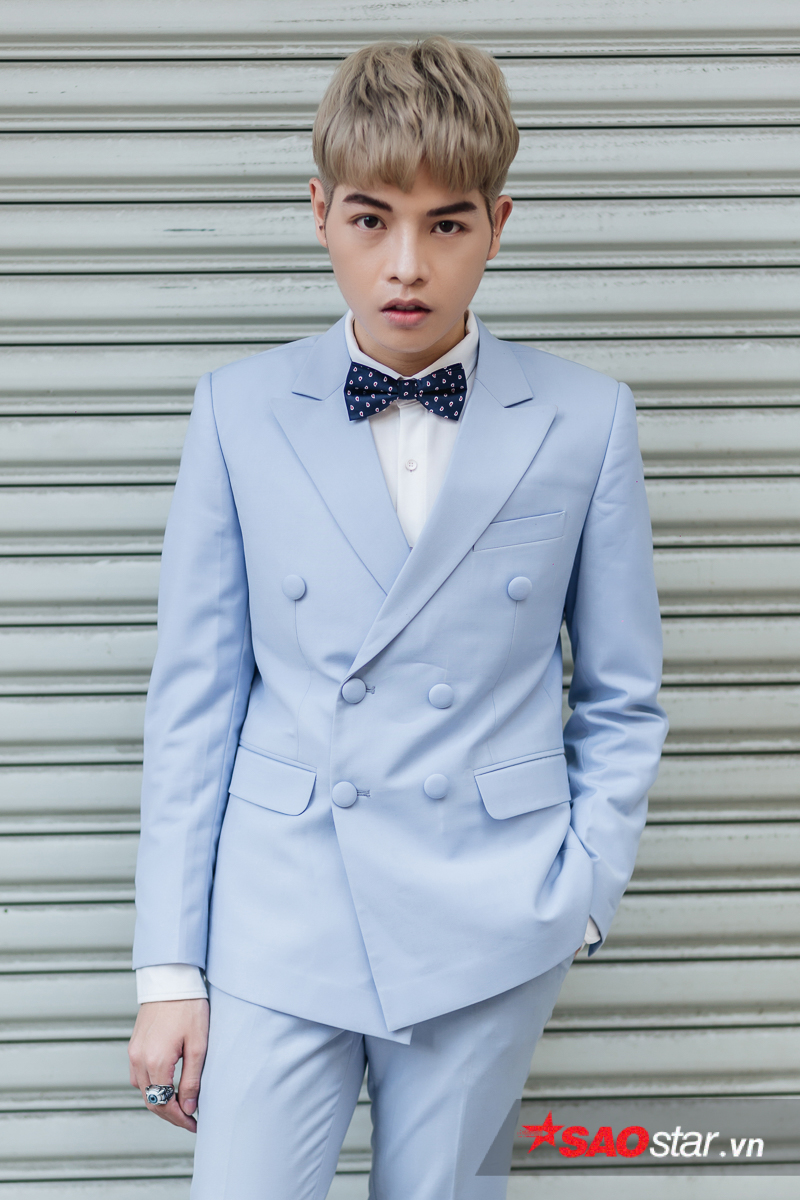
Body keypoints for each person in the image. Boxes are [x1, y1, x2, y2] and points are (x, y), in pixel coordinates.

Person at [128, 36, 668, 1199]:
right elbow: (193, 705)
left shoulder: (582, 420)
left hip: (488, 911)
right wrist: (169, 969)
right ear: (319, 212)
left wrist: (578, 897)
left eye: (447, 224)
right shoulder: (237, 412)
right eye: (372, 221)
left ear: (498, 224)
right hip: (279, 912)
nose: (407, 266)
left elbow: (622, 695)